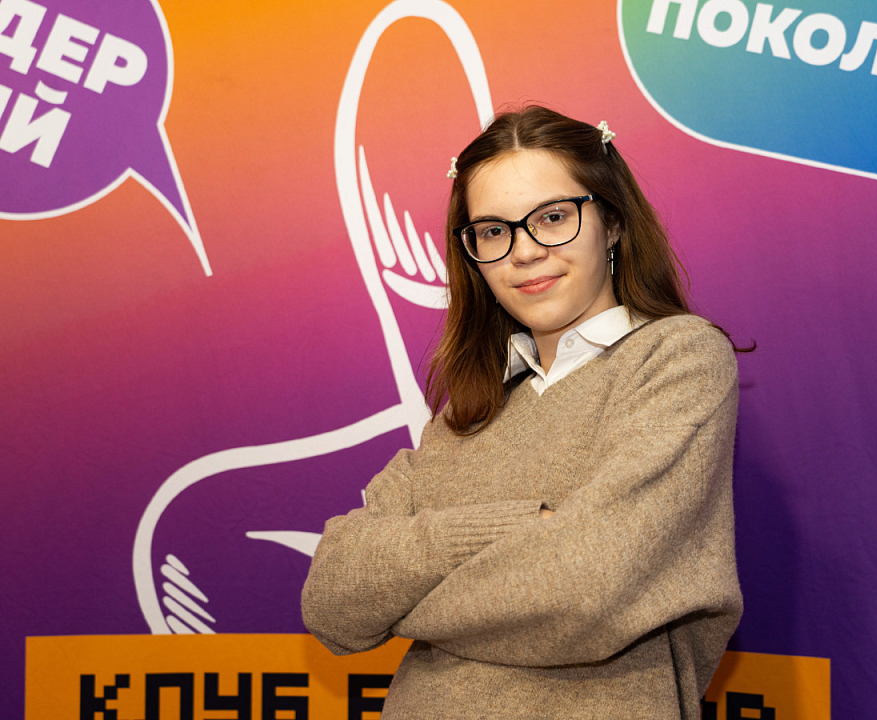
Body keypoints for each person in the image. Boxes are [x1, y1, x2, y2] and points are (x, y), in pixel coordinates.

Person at [302, 105, 744, 719]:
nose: (524, 252)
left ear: (612, 223)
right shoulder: (466, 411)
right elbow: (331, 598)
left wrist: (403, 605)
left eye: (553, 217)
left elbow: (586, 590)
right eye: (492, 231)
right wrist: (519, 527)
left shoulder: (677, 358)